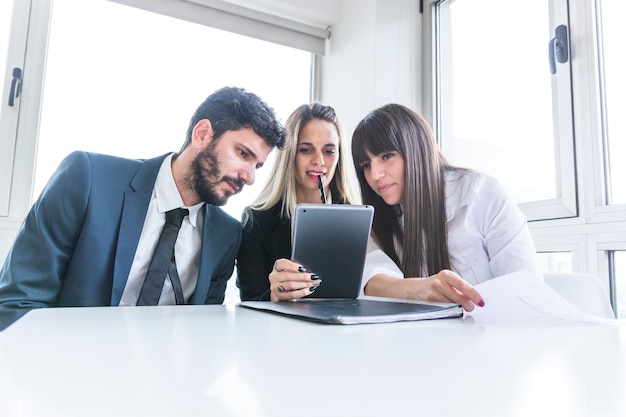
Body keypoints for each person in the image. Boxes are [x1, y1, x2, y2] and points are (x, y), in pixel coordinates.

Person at [0, 86, 285, 331]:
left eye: (257, 165)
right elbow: (19, 302)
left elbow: (202, 332)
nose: (249, 177)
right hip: (65, 374)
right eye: (242, 154)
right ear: (202, 134)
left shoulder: (227, 234)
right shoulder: (87, 179)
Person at [351, 103, 540, 312]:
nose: (375, 175)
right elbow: (371, 276)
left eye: (387, 156)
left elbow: (527, 290)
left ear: (416, 149)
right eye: (366, 165)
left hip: (494, 333)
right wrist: (414, 288)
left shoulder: (483, 193)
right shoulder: (379, 218)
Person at [237, 103, 357, 302]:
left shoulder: (355, 218)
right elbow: (249, 301)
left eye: (329, 151)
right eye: (306, 150)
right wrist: (274, 296)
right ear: (290, 155)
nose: (319, 160)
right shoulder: (256, 220)